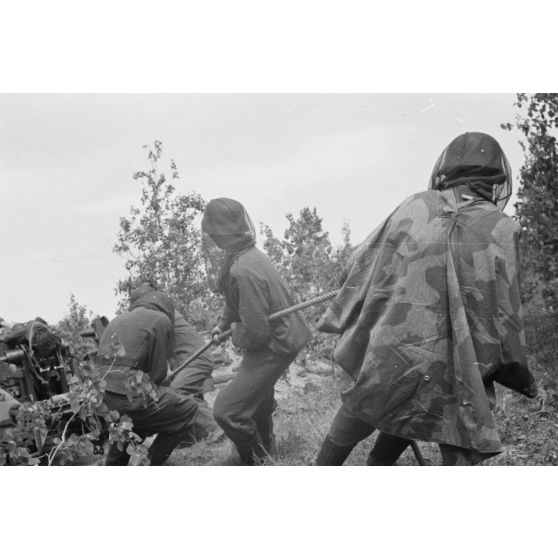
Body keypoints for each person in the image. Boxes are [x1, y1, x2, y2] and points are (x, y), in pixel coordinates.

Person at [315, 132, 538, 466]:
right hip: (453, 369)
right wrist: (518, 375)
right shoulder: (503, 228)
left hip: (388, 356)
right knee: (437, 398)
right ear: (496, 178)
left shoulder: (414, 205)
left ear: (447, 169)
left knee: (370, 400)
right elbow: (505, 314)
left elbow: (359, 264)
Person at [201, 198, 312, 464]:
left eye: (214, 232)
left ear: (223, 232)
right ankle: (267, 450)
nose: (212, 238)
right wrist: (222, 325)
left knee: (227, 411)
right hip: (281, 336)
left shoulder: (244, 269)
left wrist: (236, 334)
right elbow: (233, 301)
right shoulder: (241, 256)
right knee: (257, 398)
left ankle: (255, 460)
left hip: (276, 343)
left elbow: (257, 334)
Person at [96, 289, 199, 466]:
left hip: (102, 398)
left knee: (132, 421)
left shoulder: (116, 320)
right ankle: (149, 464)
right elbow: (158, 375)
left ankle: (113, 464)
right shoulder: (161, 320)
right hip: (131, 399)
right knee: (188, 409)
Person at [129, 284, 219, 441]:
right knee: (188, 396)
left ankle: (217, 428)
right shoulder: (164, 313)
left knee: (176, 395)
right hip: (188, 361)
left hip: (196, 359)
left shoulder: (159, 317)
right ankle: (195, 436)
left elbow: (157, 352)